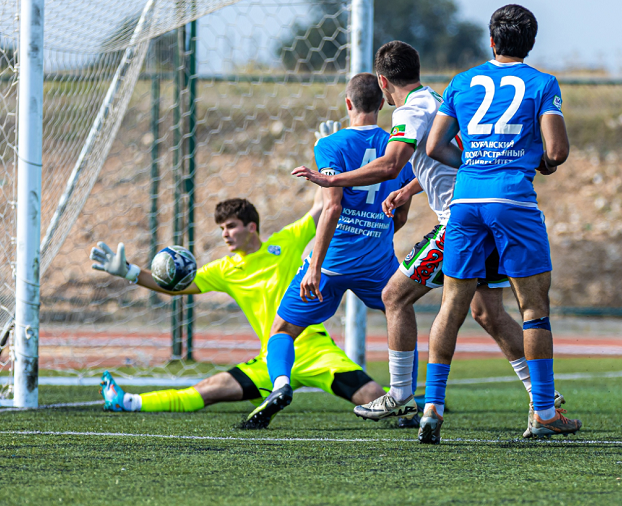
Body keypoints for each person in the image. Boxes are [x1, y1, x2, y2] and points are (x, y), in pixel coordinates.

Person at [292, 40, 563, 438]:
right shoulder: (436, 99)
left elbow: (390, 163)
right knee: (487, 313)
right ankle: (543, 396)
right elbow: (449, 155)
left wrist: (331, 179)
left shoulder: (412, 110)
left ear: (383, 83)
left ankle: (402, 392)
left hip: (461, 220)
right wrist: (410, 190)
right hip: (489, 211)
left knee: (394, 296)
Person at [422, 4, 581, 442]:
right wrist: (542, 162)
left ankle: (432, 407)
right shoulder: (543, 83)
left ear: (491, 41)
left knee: (451, 306)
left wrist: (472, 160)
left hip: (466, 201)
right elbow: (557, 150)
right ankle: (545, 412)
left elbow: (435, 146)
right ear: (529, 44)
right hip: (512, 201)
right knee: (533, 309)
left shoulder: (460, 81)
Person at [90, 196, 385, 415]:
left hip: (314, 349)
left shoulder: (286, 242)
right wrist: (130, 272)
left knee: (376, 397)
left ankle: (424, 408)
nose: (225, 234)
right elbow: (176, 287)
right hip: (269, 358)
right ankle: (127, 401)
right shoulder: (224, 269)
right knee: (208, 389)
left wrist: (328, 171)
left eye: (231, 226)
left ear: (252, 227)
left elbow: (321, 208)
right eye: (221, 228)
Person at [244, 72, 417, 429]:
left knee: (281, 330)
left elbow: (332, 207)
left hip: (332, 262)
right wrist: (376, 234)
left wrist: (314, 266)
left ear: (348, 104)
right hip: (377, 262)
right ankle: (407, 399)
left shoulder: (330, 144)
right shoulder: (399, 149)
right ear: (383, 103)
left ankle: (280, 385)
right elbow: (399, 213)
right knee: (399, 314)